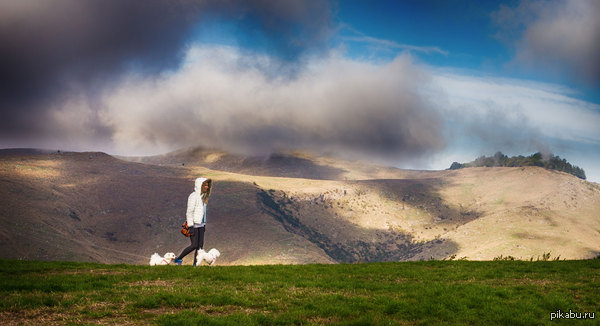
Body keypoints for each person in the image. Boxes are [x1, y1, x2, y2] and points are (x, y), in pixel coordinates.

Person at [174, 177, 212, 266]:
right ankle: (178, 259)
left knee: (200, 247)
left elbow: (203, 212)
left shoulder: (204, 197)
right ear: (200, 185)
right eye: (205, 185)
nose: (206, 187)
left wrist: (204, 224)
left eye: (207, 185)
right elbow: (189, 212)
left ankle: (195, 265)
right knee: (194, 245)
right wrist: (190, 226)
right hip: (194, 225)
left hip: (201, 225)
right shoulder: (193, 196)